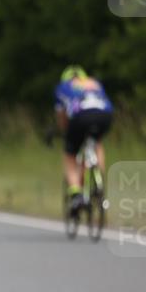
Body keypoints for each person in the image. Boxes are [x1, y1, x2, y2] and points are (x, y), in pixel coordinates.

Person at [54, 65, 113, 213]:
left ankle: (75, 194)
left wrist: (65, 132)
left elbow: (62, 117)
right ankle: (98, 182)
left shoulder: (63, 86)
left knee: (70, 155)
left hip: (81, 116)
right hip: (105, 115)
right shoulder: (94, 82)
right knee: (97, 143)